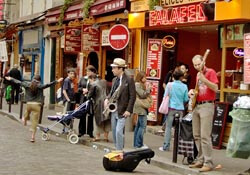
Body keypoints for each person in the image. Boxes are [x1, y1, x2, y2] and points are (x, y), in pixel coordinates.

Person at [5, 75, 63, 142]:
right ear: (39, 80)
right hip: (37, 105)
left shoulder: (27, 84)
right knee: (34, 122)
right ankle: (32, 137)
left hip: (29, 103)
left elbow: (18, 82)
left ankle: (25, 119)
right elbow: (48, 85)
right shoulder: (40, 86)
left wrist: (10, 78)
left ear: (33, 79)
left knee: (27, 111)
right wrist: (57, 81)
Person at [188, 54, 218, 172]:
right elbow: (198, 89)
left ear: (203, 62)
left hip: (207, 105)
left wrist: (204, 80)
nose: (196, 66)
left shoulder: (210, 72)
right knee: (196, 135)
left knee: (205, 136)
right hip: (197, 105)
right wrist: (192, 92)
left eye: (198, 64)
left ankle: (208, 162)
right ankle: (200, 159)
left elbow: (215, 88)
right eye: (195, 65)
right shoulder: (197, 74)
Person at [104, 58, 136, 150]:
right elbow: (112, 93)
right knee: (114, 131)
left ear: (120, 68)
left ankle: (119, 150)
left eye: (114, 68)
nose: (112, 70)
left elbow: (132, 96)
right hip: (114, 109)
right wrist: (107, 99)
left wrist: (129, 110)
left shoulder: (129, 80)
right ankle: (117, 148)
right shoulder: (115, 80)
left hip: (123, 110)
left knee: (119, 131)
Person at [159, 68, 189, 151]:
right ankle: (178, 147)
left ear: (173, 76)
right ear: (181, 77)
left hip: (171, 108)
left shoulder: (169, 85)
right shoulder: (185, 86)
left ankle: (166, 146)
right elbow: (186, 99)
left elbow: (166, 95)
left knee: (168, 128)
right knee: (179, 129)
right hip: (180, 109)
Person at [88, 74, 111, 142]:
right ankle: (106, 137)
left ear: (92, 79)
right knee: (107, 119)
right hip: (107, 102)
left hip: (98, 104)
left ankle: (97, 137)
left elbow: (89, 95)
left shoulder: (94, 84)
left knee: (98, 120)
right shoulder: (105, 82)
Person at [133, 71, 152, 149]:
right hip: (140, 106)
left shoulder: (139, 84)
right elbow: (143, 95)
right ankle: (139, 144)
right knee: (142, 126)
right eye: (144, 77)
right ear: (140, 78)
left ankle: (136, 143)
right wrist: (148, 89)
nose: (146, 78)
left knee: (138, 126)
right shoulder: (137, 85)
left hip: (139, 106)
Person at [77, 65, 96, 138]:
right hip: (83, 99)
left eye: (89, 71)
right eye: (87, 71)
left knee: (91, 115)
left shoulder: (95, 79)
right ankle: (81, 131)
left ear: (93, 72)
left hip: (91, 100)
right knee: (82, 115)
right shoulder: (83, 79)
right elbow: (78, 88)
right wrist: (82, 90)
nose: (87, 72)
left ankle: (90, 132)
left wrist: (89, 91)